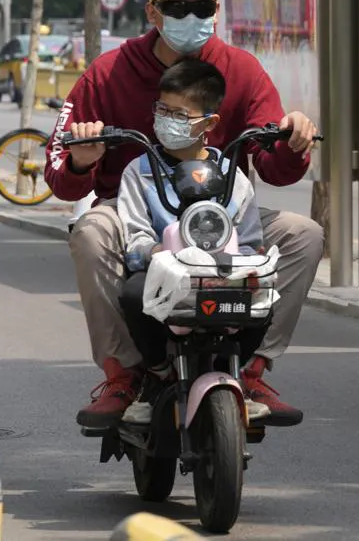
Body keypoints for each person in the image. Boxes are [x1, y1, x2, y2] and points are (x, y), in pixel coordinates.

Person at [45, 0, 325, 429]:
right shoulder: (107, 73)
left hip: (218, 215)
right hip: (132, 210)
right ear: (153, 13)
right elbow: (60, 172)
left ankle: (253, 367)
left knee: (304, 234)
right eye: (177, 6)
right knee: (91, 233)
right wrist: (82, 160)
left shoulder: (242, 69)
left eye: (202, 5)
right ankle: (124, 374)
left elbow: (274, 168)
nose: (191, 15)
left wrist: (293, 139)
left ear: (217, 10)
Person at [113, 58, 270, 425]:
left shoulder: (233, 177)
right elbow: (135, 236)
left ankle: (236, 373)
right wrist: (156, 254)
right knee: (134, 295)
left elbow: (249, 241)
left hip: (222, 273)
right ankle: (155, 375)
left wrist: (245, 264)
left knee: (264, 295)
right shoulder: (141, 171)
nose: (167, 120)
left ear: (209, 123)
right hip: (163, 274)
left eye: (179, 114)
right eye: (162, 110)